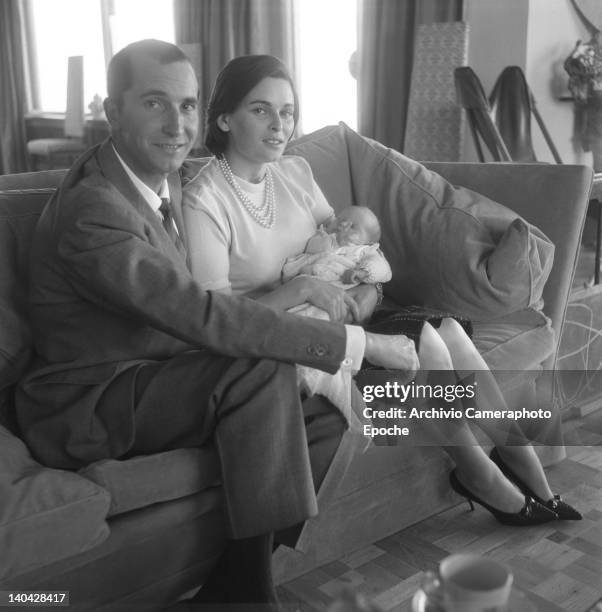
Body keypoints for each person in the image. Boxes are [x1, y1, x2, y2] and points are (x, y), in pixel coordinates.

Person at [14, 40, 419, 609]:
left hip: (162, 372)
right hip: (89, 399)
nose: (176, 124)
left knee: (331, 413)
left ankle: (235, 577)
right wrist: (358, 338)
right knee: (262, 369)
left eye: (185, 105)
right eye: (154, 103)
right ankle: (248, 596)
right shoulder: (95, 210)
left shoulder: (161, 177)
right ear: (113, 112)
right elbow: (199, 312)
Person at [183, 54, 581, 530]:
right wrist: (304, 288)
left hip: (348, 315)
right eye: (261, 110)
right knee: (431, 343)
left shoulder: (295, 173)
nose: (279, 125)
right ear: (225, 117)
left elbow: (356, 247)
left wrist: (369, 293)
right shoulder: (203, 199)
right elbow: (217, 317)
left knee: (449, 329)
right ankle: (481, 476)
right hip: (286, 338)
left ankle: (531, 477)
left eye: (287, 111)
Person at [282, 205, 392, 430]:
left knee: (319, 321)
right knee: (300, 320)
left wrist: (364, 274)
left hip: (341, 293)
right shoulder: (322, 242)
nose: (344, 225)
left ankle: (315, 371)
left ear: (368, 241)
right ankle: (316, 369)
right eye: (342, 219)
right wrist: (329, 237)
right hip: (307, 296)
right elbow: (306, 257)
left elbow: (383, 270)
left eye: (354, 226)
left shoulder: (363, 253)